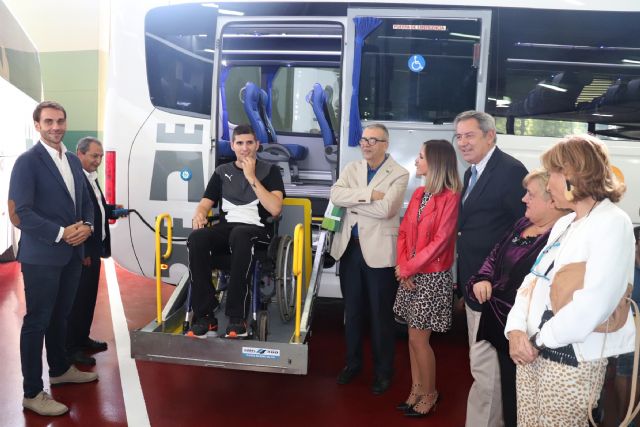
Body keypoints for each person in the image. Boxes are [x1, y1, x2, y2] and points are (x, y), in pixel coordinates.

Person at [505, 134, 636, 426]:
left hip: (571, 359)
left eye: (552, 173)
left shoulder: (613, 222)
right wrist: (515, 330)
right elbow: (532, 282)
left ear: (572, 175)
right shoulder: (565, 223)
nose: (548, 183)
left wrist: (538, 340)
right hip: (531, 351)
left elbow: (594, 304)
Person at [8, 101, 99, 416]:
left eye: (60, 121)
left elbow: (85, 201)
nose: (56, 127)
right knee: (38, 321)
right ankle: (32, 392)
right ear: (37, 125)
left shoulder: (72, 159)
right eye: (48, 121)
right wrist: (61, 232)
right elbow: (20, 213)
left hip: (72, 253)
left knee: (61, 316)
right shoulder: (27, 162)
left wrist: (87, 226)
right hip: (43, 255)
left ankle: (59, 369)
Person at [466, 169, 567, 426]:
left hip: (527, 332)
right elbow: (495, 255)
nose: (523, 199)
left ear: (551, 200)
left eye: (530, 194)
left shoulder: (561, 236)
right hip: (498, 321)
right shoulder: (522, 224)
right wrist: (482, 278)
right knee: (501, 390)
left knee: (522, 400)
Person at [454, 110, 528, 427]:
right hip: (474, 283)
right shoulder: (472, 172)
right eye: (459, 136)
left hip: (494, 290)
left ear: (490, 135)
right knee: (482, 366)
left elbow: (524, 230)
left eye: (469, 135)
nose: (462, 142)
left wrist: (497, 277)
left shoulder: (510, 171)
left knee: (488, 370)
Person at [330, 123, 409, 395]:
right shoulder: (352, 168)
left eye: (372, 140)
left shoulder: (399, 173)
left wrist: (353, 202)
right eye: (363, 139)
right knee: (352, 313)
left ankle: (383, 372)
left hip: (379, 254)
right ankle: (352, 365)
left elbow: (387, 210)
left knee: (380, 316)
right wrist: (368, 196)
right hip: (349, 250)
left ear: (386, 144)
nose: (365, 144)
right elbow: (335, 195)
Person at [187, 124, 284, 338]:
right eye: (240, 143)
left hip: (258, 230)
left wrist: (251, 177)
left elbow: (275, 209)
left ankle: (237, 318)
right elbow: (204, 204)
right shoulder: (222, 172)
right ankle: (205, 316)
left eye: (249, 143)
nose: (245, 148)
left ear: (257, 145)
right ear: (232, 146)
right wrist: (200, 214)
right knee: (197, 238)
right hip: (228, 229)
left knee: (240, 235)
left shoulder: (271, 171)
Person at [393, 139, 461, 416]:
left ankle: (430, 393)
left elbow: (440, 242)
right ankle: (416, 389)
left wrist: (408, 268)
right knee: (412, 339)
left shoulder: (451, 197)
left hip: (432, 278)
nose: (416, 161)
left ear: (435, 162)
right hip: (410, 274)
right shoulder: (420, 194)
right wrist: (403, 266)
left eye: (421, 157)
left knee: (419, 340)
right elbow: (403, 233)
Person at [66, 137, 125, 366]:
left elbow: (95, 208)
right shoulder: (75, 179)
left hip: (94, 248)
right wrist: (82, 252)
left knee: (88, 298)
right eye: (94, 156)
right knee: (77, 301)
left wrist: (112, 210)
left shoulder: (91, 177)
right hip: (84, 251)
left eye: (100, 156)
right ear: (79, 154)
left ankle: (82, 338)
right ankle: (71, 348)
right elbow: (75, 216)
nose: (98, 161)